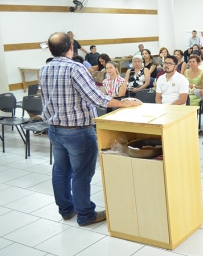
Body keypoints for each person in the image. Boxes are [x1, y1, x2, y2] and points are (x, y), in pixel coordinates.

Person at [40, 32, 141, 227]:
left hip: (54, 129)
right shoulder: (75, 68)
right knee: (81, 174)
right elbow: (95, 98)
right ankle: (86, 214)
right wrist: (123, 103)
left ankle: (66, 210)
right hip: (77, 131)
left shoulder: (45, 68)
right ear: (71, 46)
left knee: (60, 171)